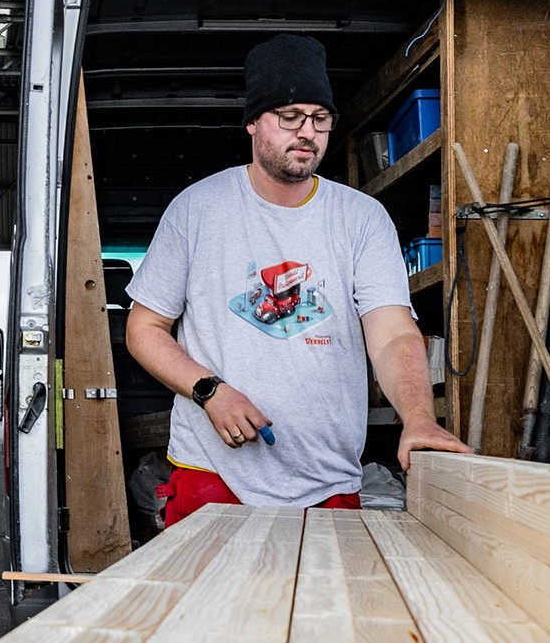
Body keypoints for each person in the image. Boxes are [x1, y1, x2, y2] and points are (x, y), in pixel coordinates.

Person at [126, 34, 470, 525]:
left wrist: (418, 418)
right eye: (290, 117)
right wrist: (210, 391)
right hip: (214, 474)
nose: (308, 132)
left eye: (320, 118)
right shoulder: (197, 210)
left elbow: (392, 333)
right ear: (252, 122)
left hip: (328, 479)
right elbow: (144, 329)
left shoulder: (362, 218)